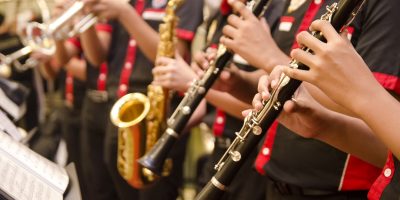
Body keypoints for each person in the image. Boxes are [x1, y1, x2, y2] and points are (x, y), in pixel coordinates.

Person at [213, 0, 400, 199]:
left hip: (336, 191)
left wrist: (270, 57)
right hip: (275, 182)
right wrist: (238, 84)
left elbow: (379, 109)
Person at [81, 0, 203, 199]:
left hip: (160, 113)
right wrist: (83, 18)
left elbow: (172, 59)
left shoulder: (185, 3)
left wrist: (125, 13)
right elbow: (96, 58)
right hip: (121, 112)